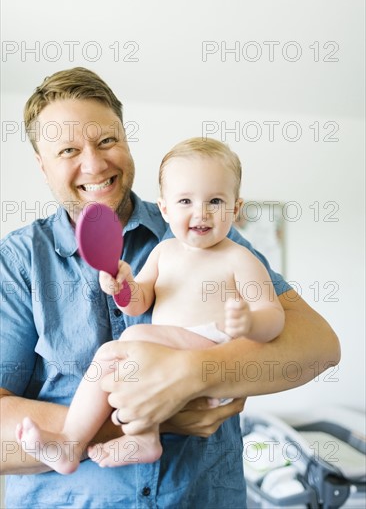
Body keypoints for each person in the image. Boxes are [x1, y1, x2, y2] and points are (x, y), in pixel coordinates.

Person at [0, 67, 340, 509]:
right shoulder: (18, 260)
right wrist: (155, 415)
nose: (95, 164)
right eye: (68, 150)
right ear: (42, 165)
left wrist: (196, 375)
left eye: (107, 141)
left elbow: (318, 345)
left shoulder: (200, 231)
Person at [15, 138, 285, 473]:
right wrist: (121, 284)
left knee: (129, 342)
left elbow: (274, 318)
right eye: (185, 200)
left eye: (215, 201)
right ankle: (82, 441)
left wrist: (249, 323)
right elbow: (136, 301)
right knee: (113, 363)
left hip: (212, 359)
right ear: (165, 208)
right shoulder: (164, 252)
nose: (200, 212)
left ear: (235, 208)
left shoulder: (238, 258)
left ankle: (103, 439)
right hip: (165, 356)